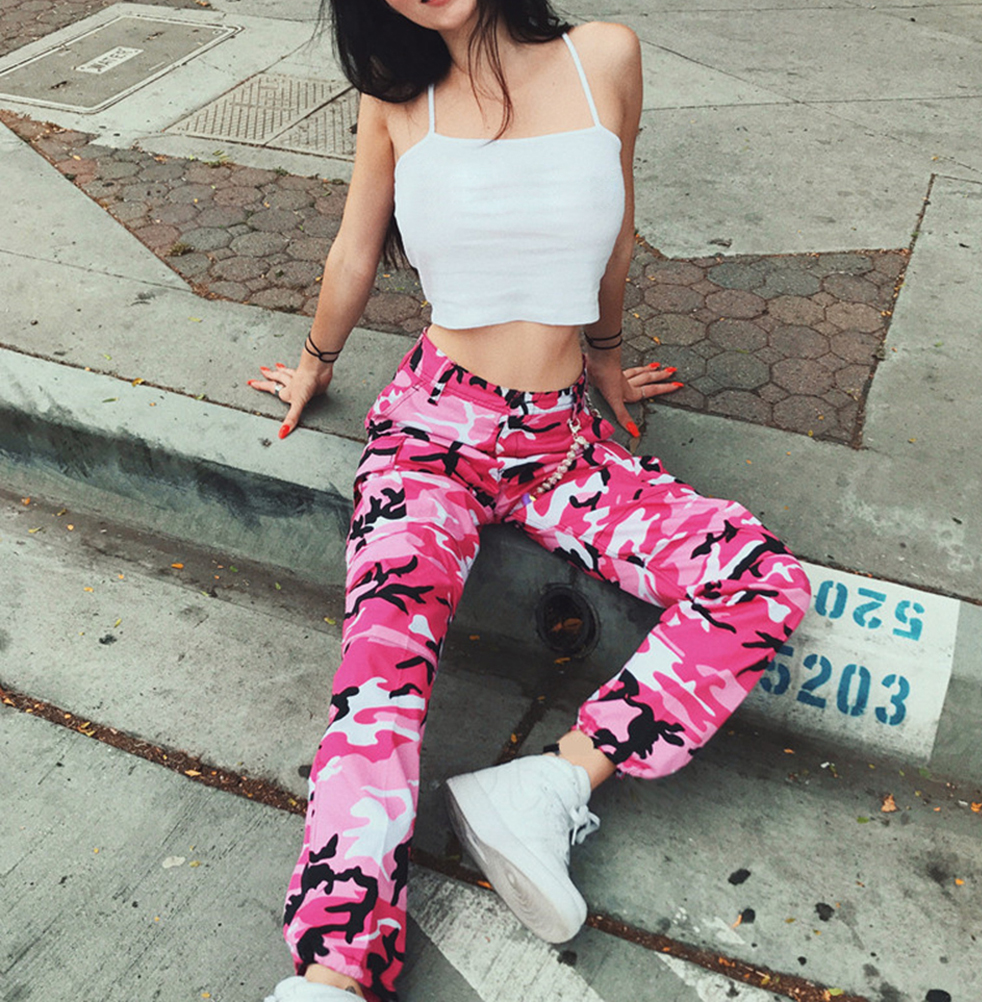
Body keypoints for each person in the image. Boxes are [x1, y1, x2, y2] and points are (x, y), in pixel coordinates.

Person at [248, 1, 812, 999]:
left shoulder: (606, 56)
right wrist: (313, 362)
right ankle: (335, 967)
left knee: (758, 578)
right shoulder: (398, 97)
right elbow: (353, 251)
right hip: (433, 434)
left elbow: (618, 230)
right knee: (380, 673)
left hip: (562, 443)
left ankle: (549, 785)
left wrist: (607, 359)